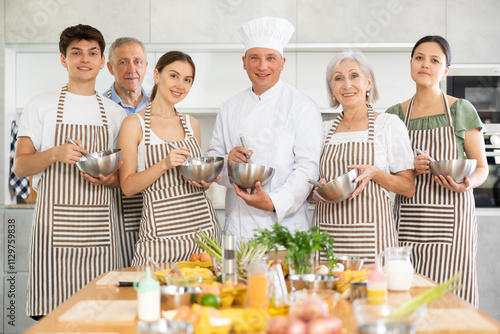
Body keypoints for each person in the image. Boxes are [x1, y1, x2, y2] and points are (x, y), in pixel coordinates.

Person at [13, 24, 127, 318]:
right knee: (54, 318)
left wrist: (109, 179)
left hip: (100, 234)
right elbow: (20, 166)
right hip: (55, 236)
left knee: (101, 318)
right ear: (63, 59)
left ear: (103, 61)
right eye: (76, 53)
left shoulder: (114, 113)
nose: (84, 60)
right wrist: (54, 153)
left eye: (92, 53)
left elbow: (123, 178)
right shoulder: (41, 105)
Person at [386, 35, 488, 307]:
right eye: (419, 57)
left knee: (451, 299)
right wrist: (411, 169)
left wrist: (467, 184)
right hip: (409, 222)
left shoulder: (460, 110)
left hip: (453, 222)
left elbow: (481, 167)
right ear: (410, 63)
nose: (425, 65)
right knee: (408, 297)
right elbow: (389, 175)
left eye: (435, 60)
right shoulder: (394, 116)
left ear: (446, 71)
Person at [206, 16, 323, 246]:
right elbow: (214, 165)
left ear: (282, 62)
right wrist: (229, 161)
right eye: (254, 58)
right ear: (244, 62)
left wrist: (272, 201)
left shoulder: (301, 106)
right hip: (240, 227)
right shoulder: (229, 107)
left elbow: (308, 167)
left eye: (270, 58)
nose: (262, 66)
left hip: (284, 227)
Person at [311, 51, 415, 263]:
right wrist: (315, 189)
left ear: (369, 83)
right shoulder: (321, 130)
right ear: (332, 88)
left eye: (354, 76)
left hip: (372, 241)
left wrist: (376, 173)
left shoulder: (387, 125)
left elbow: (408, 187)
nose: (347, 85)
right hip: (326, 238)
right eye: (338, 78)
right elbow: (307, 184)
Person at [119, 51, 221, 265]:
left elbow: (195, 179)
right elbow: (128, 187)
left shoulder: (192, 124)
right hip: (159, 238)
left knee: (204, 296)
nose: (180, 85)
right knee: (149, 295)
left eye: (187, 80)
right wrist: (164, 164)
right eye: (174, 76)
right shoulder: (133, 124)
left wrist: (206, 180)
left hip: (202, 233)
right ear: (157, 75)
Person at [104, 37, 150, 267]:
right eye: (123, 62)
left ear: (146, 66)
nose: (132, 69)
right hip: (111, 209)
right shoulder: (98, 107)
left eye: (137, 61)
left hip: (153, 209)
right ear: (110, 67)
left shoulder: (162, 107)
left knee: (149, 280)